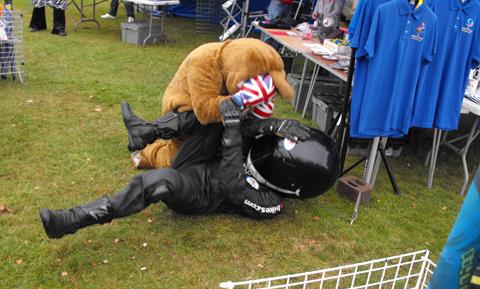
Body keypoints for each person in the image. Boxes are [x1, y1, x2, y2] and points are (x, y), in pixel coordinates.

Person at [39, 99, 340, 239]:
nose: (268, 148)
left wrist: (235, 130)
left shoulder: (271, 204)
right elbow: (246, 129)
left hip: (199, 194)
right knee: (208, 114)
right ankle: (144, 132)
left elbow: (228, 181)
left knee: (158, 182)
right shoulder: (268, 163)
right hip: (202, 162)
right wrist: (271, 124)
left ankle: (74, 219)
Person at [129, 38, 294, 170]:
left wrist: (260, 108)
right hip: (186, 113)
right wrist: (242, 99)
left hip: (217, 114)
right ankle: (146, 154)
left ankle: (152, 135)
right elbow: (205, 112)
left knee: (228, 149)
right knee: (179, 164)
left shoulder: (244, 58)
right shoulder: (203, 60)